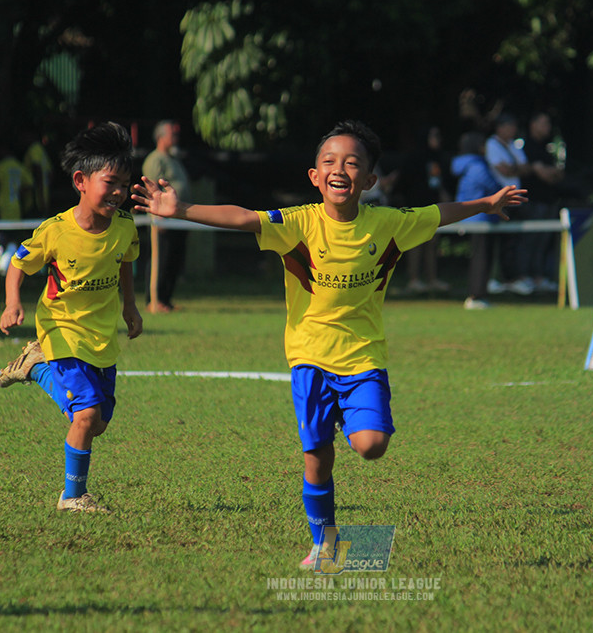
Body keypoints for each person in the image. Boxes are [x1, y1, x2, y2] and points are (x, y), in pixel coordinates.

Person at [130, 120, 525, 566]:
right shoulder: (297, 223)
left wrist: (487, 203)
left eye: (352, 163)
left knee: (371, 445)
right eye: (330, 162)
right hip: (310, 359)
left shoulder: (389, 225)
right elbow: (243, 217)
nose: (340, 169)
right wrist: (180, 208)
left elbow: (439, 212)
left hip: (363, 358)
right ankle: (325, 545)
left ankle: (347, 422)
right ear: (315, 176)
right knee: (317, 460)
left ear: (369, 180)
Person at [0, 121, 142, 513]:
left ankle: (35, 367)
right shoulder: (56, 231)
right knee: (86, 415)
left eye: (124, 184)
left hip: (101, 336)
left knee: (98, 423)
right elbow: (17, 264)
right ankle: (73, 497)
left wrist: (130, 306)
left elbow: (125, 261)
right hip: (61, 331)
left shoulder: (125, 226)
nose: (119, 192)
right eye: (110, 182)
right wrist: (12, 303)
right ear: (81, 181)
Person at [452, 131, 508, 310]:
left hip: (472, 217)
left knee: (480, 256)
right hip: (479, 219)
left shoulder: (467, 165)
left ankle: (478, 295)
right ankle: (476, 296)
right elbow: (493, 187)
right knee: (481, 258)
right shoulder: (477, 166)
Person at [142, 120, 191, 313]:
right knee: (160, 259)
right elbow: (152, 186)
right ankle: (154, 300)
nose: (176, 138)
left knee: (173, 259)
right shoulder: (156, 160)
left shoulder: (174, 159)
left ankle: (166, 299)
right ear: (161, 137)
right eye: (173, 135)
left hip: (178, 220)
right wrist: (158, 217)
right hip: (164, 220)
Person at [398, 125, 452, 294]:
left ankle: (432, 279)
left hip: (433, 207)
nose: (438, 140)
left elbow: (437, 181)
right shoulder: (414, 158)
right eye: (434, 136)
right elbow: (405, 182)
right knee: (415, 243)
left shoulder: (438, 158)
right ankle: (414, 279)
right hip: (416, 206)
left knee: (432, 243)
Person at [484, 113, 533, 296]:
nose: (513, 130)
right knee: (500, 241)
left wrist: (515, 169)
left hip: (515, 200)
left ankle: (511, 278)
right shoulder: (492, 145)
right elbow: (504, 170)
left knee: (513, 241)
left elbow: (525, 168)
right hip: (499, 200)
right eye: (509, 126)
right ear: (500, 128)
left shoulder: (513, 145)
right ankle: (497, 279)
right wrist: (516, 169)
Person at [516, 111, 564, 293]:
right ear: (533, 125)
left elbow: (558, 175)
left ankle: (538, 277)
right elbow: (545, 175)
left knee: (543, 241)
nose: (547, 127)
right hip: (532, 201)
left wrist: (548, 172)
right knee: (529, 240)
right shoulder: (526, 148)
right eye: (543, 123)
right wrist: (547, 172)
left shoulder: (547, 148)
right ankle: (523, 276)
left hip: (548, 200)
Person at [0, 144, 35, 274]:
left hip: (2, 208)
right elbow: (30, 184)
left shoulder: (0, 167)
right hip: (16, 207)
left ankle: (3, 266)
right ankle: (8, 265)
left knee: (4, 238)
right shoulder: (19, 166)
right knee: (13, 238)